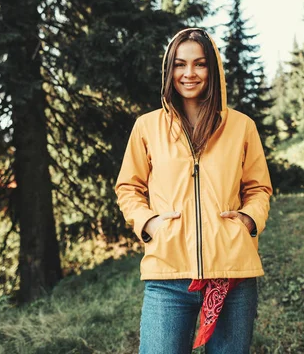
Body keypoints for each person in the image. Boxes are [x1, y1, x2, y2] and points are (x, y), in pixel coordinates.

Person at [115, 28, 272, 354]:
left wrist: (247, 219)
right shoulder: (147, 126)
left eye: (199, 64)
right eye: (180, 64)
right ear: (168, 69)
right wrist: (149, 223)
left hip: (233, 275)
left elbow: (258, 188)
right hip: (167, 277)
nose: (189, 73)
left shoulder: (242, 126)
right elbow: (129, 187)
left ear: (212, 70)